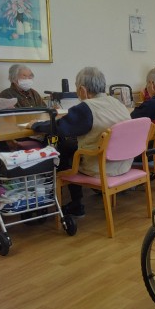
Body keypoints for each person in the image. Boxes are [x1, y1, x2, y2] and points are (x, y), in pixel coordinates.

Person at [29, 67, 132, 218]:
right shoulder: (117, 103)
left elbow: (59, 127)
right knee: (69, 145)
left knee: (61, 148)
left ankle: (74, 203)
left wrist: (36, 125)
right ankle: (73, 201)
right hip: (123, 164)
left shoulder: (86, 108)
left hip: (99, 167)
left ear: (82, 90)